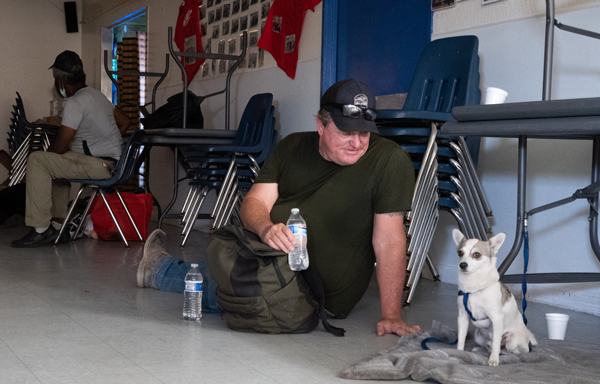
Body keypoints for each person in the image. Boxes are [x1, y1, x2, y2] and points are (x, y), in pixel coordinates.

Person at [138, 79, 421, 336]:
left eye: (364, 133)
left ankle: (159, 269)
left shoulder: (389, 160)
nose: (357, 142)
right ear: (321, 125)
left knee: (227, 286)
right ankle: (169, 269)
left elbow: (389, 239)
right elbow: (256, 202)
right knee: (225, 258)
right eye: (346, 131)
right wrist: (266, 228)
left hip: (310, 293)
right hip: (265, 257)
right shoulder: (294, 146)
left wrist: (391, 315)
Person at [12, 50, 131, 248]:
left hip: (99, 164)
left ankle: (41, 230)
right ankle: (59, 227)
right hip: (112, 163)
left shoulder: (75, 102)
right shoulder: (97, 95)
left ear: (60, 81)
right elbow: (126, 121)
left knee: (37, 160)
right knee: (55, 164)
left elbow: (60, 145)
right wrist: (106, 142)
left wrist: (32, 170)